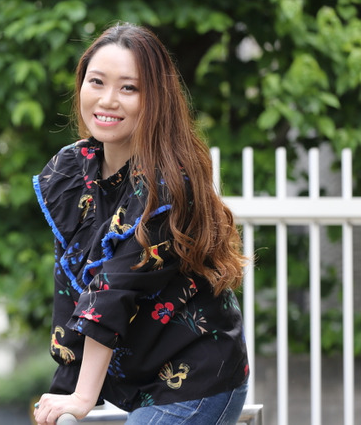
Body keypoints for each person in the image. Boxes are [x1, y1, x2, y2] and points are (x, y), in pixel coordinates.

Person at [32, 22, 249, 425]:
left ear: (155, 100)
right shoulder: (71, 170)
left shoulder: (166, 183)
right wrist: (64, 393)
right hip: (142, 378)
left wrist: (83, 396)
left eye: (129, 88)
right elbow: (71, 287)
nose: (108, 100)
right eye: (97, 82)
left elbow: (112, 292)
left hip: (198, 378)